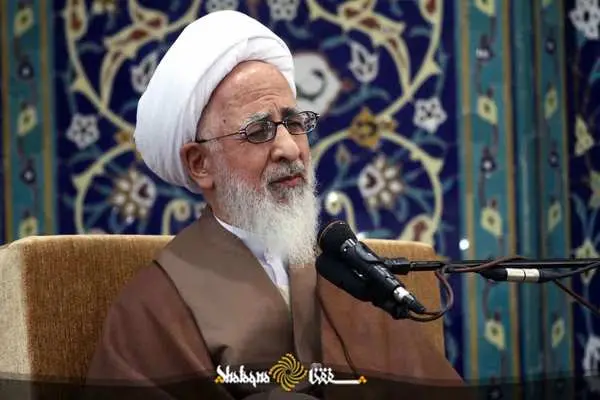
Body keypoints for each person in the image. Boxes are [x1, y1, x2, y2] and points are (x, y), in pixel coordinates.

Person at [85, 10, 464, 400]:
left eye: (294, 123)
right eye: (259, 130)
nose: (289, 148)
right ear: (200, 164)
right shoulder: (152, 309)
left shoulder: (347, 272)